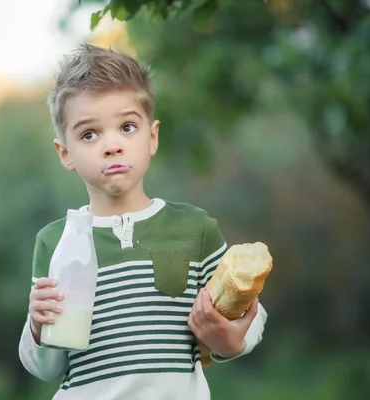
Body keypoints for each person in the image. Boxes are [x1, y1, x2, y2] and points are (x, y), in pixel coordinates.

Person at [18, 43, 267, 400]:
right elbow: (47, 368)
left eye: (128, 127)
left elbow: (249, 314)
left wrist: (230, 340)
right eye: (89, 134)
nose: (112, 145)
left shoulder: (194, 229)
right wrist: (38, 328)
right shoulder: (57, 241)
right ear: (65, 153)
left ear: (152, 137)